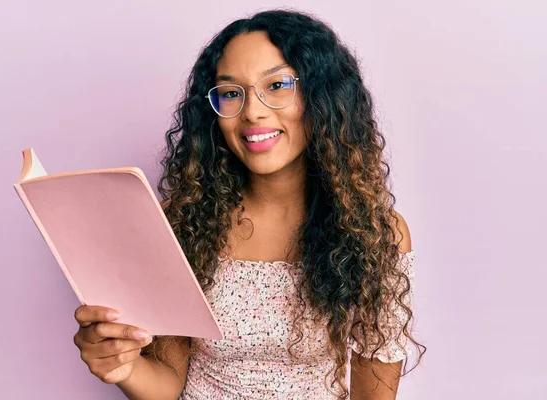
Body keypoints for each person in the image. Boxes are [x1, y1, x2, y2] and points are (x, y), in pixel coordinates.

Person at [72, 9, 425, 400]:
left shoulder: (375, 235)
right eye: (230, 92)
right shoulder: (186, 222)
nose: (252, 112)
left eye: (276, 85)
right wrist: (124, 367)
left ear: (322, 96)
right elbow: (167, 384)